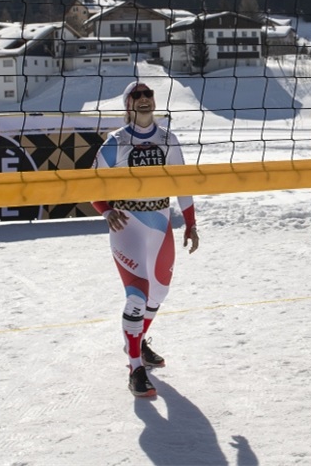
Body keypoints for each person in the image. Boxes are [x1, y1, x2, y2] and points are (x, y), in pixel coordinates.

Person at [92, 81, 199, 398]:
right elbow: (90, 182)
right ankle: (135, 367)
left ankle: (136, 341)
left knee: (159, 294)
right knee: (137, 296)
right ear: (128, 105)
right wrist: (105, 210)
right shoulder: (116, 141)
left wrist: (190, 224)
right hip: (128, 224)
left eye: (147, 94)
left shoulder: (168, 139)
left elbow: (183, 184)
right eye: (136, 96)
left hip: (161, 222)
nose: (143, 99)